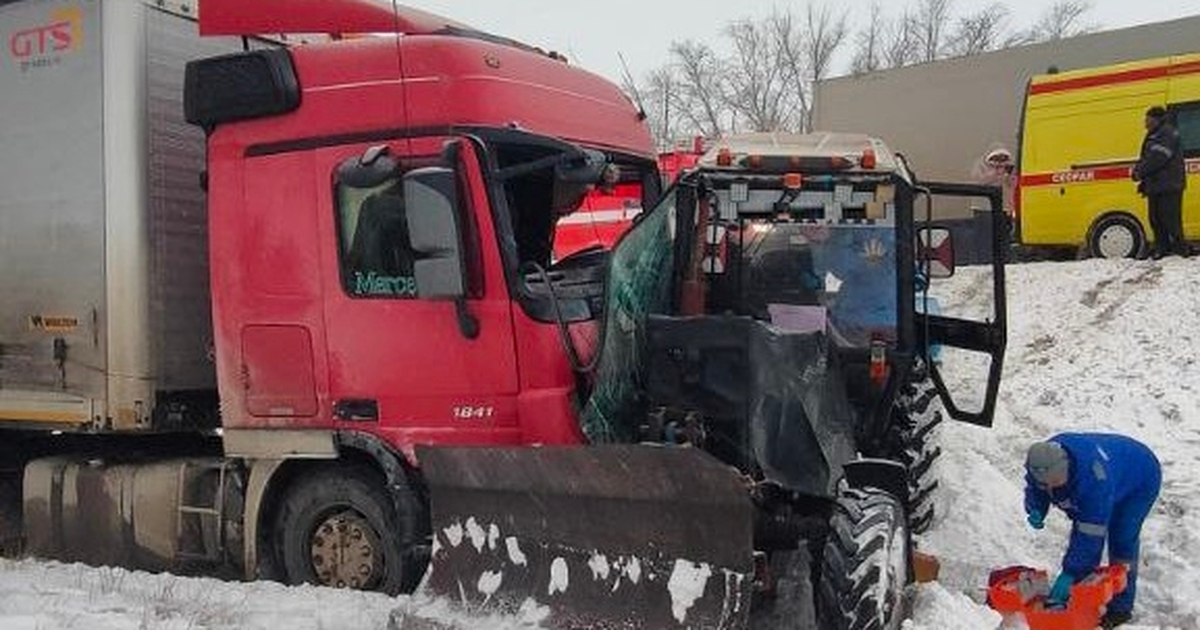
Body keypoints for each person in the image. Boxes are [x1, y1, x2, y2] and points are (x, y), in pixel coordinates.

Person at [1024, 433, 1161, 629]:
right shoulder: (1040, 460)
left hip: (1140, 477)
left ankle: (1120, 607)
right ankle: (1081, 597)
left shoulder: (1095, 479)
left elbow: (1089, 534)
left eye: (1056, 482)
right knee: (1086, 543)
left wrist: (1071, 573)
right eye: (1046, 483)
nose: (1051, 487)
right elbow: (1036, 488)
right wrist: (1036, 508)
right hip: (1116, 469)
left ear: (1068, 470)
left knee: (1122, 536)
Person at [1131, 106, 1188, 259]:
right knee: (1155, 218)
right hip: (1157, 185)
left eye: (1147, 119)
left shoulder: (1166, 133)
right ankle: (1162, 247)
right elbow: (1146, 157)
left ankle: (1179, 250)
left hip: (1169, 185)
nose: (1145, 122)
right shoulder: (1155, 134)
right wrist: (1142, 177)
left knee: (1169, 219)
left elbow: (1158, 158)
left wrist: (1140, 172)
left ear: (1156, 119)